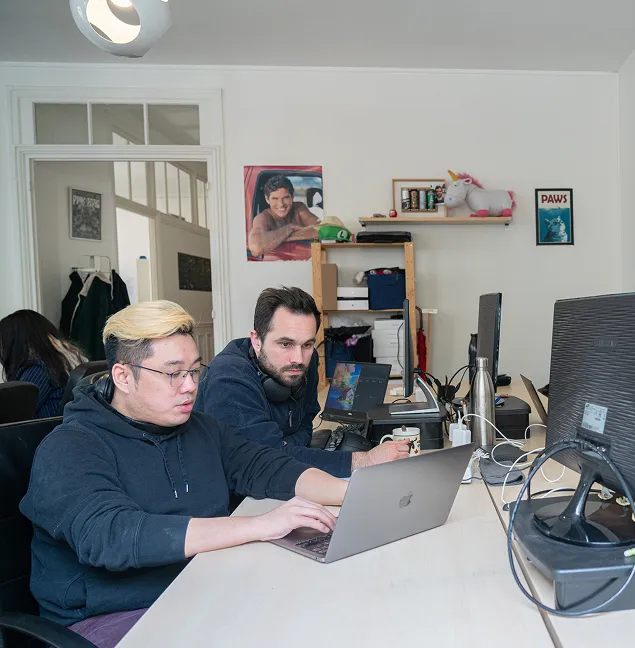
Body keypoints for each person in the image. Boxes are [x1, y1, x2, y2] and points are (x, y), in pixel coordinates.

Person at [20, 301, 348, 647]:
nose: (190, 386)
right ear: (123, 376)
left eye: (194, 371)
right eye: (174, 373)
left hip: (201, 589)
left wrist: (352, 494)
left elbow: (266, 466)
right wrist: (260, 524)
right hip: (111, 617)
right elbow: (113, 535)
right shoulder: (70, 447)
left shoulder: (202, 429)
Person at [195, 287, 409, 477]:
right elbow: (266, 461)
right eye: (285, 344)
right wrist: (365, 461)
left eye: (307, 344)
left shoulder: (309, 357)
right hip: (235, 498)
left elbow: (307, 420)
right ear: (256, 341)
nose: (298, 358)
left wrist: (287, 447)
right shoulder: (228, 378)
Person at [0, 309, 86, 418]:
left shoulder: (38, 367)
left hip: (45, 432)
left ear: (14, 344)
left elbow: (16, 413)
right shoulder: (67, 357)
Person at [247, 175, 322, 257]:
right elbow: (256, 248)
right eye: (275, 199)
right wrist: (289, 228)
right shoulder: (263, 218)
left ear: (292, 196)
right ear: (267, 199)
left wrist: (282, 237)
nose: (281, 204)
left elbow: (322, 229)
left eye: (285, 198)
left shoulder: (298, 208)